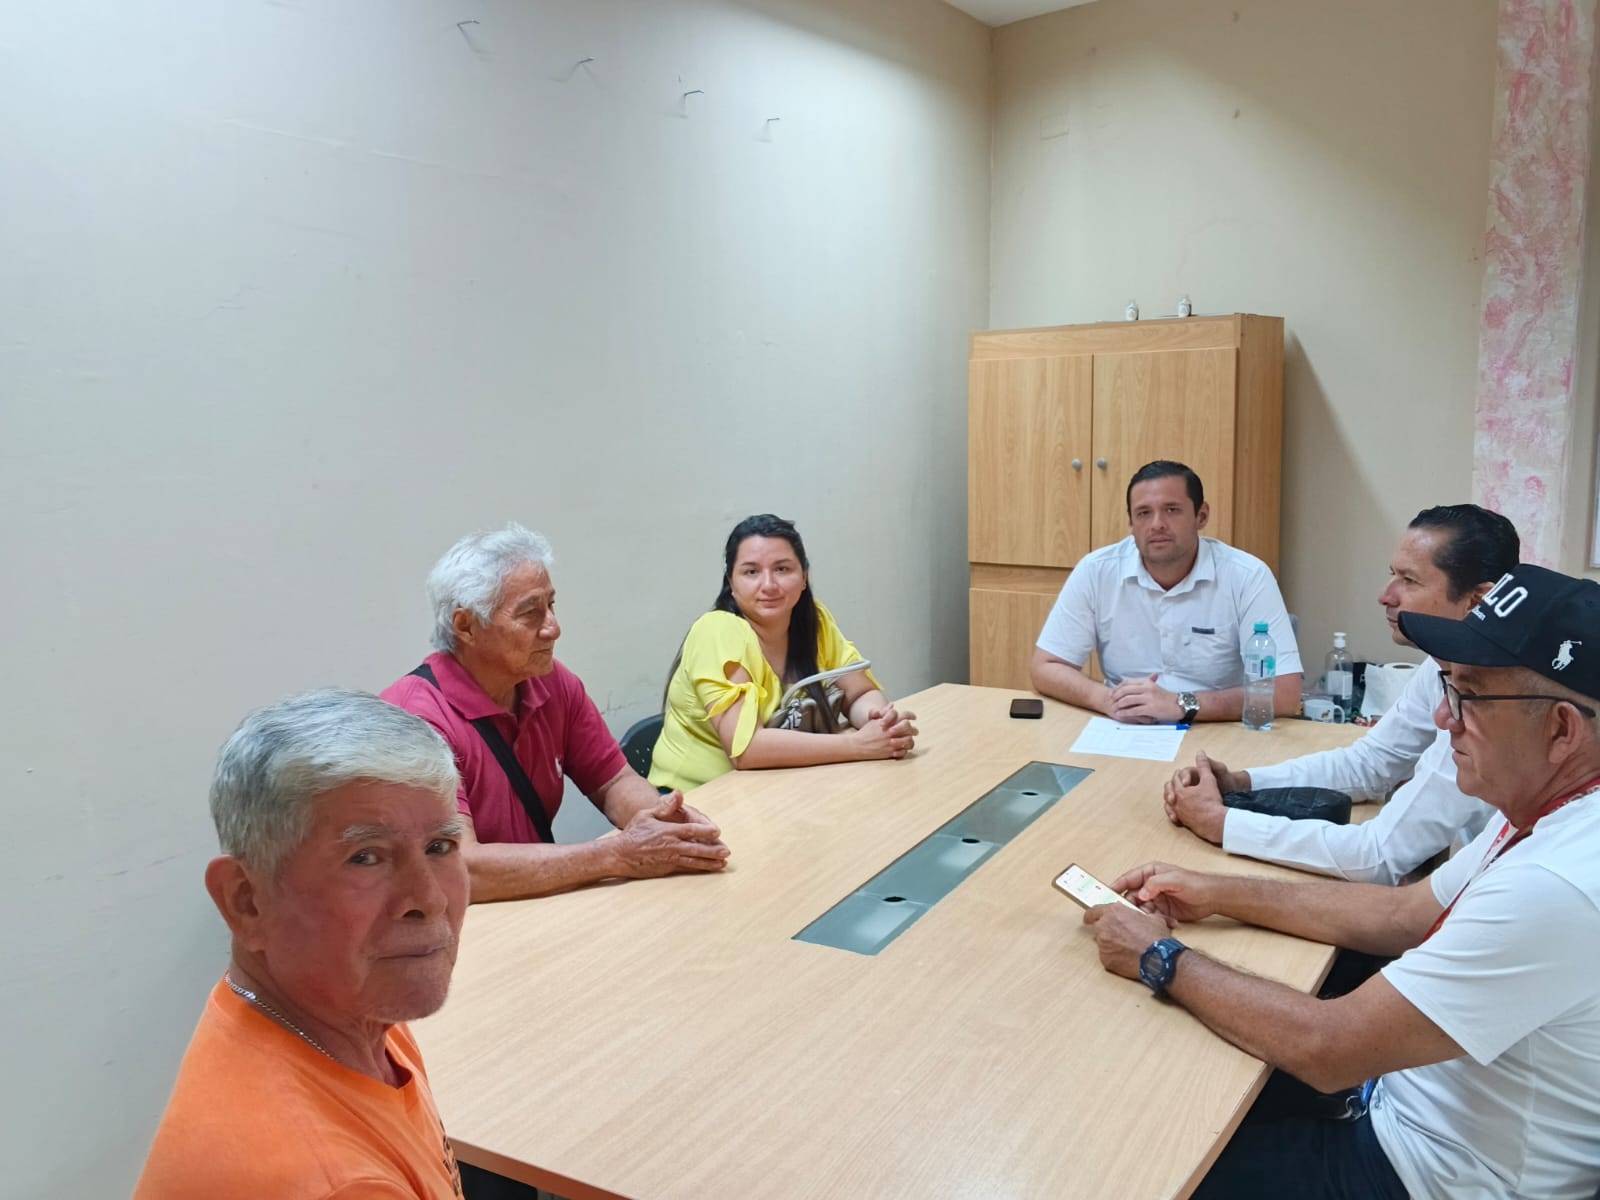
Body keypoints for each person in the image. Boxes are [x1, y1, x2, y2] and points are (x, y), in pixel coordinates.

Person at [1082, 563, 1600, 1200]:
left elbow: (1329, 1049)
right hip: (1400, 1102)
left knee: (1128, 1159)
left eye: (1470, 696)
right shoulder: (1552, 809)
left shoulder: (1556, 883)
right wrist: (1213, 891)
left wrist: (1158, 956)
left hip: (1417, 1173)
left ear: (1561, 730)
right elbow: (1402, 915)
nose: (1445, 718)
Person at [134, 690, 471, 1198]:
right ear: (246, 901)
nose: (428, 899)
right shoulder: (334, 1183)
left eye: (440, 847)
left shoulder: (347, 1010)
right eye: (367, 857)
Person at [1164, 504, 1518, 883]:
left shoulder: (1498, 697)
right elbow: (1370, 763)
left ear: (1478, 601)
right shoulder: (1443, 664)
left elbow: (1379, 857)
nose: (1386, 596)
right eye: (1392, 575)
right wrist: (1242, 783)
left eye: (1410, 581)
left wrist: (1222, 823)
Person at [382, 524, 729, 902]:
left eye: (551, 605)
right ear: (466, 626)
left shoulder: (550, 682)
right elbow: (458, 866)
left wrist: (662, 822)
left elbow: (613, 780)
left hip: (539, 903)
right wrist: (617, 854)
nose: (554, 628)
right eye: (531, 613)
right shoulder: (415, 718)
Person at [648, 513, 918, 792]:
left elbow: (859, 692)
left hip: (777, 787)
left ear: (804, 577)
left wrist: (879, 722)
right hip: (697, 797)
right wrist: (857, 745)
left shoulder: (813, 620)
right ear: (731, 582)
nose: (768, 585)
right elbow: (746, 749)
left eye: (782, 569)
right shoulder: (717, 631)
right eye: (751, 572)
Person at [1031, 460, 1303, 724]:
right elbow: (1046, 667)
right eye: (1144, 513)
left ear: (1201, 516)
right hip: (1125, 727)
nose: (1157, 524)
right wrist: (1107, 699)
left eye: (1171, 510)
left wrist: (1182, 704)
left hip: (1216, 729)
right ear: (1131, 522)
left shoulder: (1247, 576)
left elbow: (1285, 694)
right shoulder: (1096, 571)